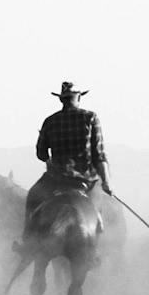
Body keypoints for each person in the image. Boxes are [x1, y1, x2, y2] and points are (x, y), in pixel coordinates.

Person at [30, 80, 110, 214]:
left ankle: (27, 234)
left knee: (33, 197)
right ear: (78, 97)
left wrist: (50, 159)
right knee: (100, 213)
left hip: (56, 179)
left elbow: (41, 154)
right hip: (86, 180)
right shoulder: (91, 118)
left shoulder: (50, 121)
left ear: (61, 100)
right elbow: (99, 155)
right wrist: (107, 182)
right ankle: (99, 228)